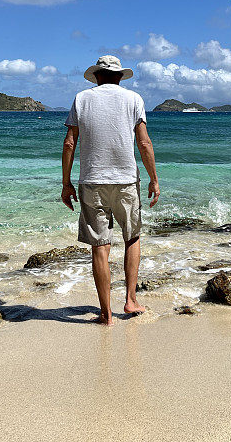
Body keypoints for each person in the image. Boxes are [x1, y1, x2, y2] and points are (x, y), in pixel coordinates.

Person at [61, 55, 160, 326]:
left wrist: (66, 183)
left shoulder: (81, 99)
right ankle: (130, 300)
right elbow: (144, 142)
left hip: (91, 181)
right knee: (132, 238)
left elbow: (69, 143)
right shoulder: (133, 99)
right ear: (119, 76)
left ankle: (105, 314)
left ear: (96, 76)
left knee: (100, 246)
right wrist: (153, 178)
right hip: (126, 181)